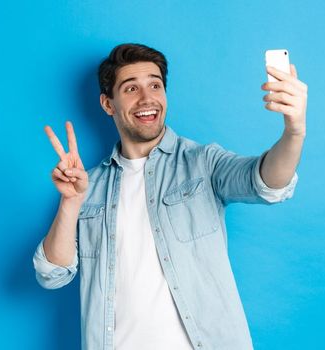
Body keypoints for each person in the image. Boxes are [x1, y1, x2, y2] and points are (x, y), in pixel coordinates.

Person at [33, 43, 307, 350]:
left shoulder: (202, 162)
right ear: (108, 104)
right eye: (131, 88)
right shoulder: (89, 185)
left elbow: (266, 181)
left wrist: (294, 132)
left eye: (155, 85)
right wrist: (70, 202)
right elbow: (51, 274)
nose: (147, 98)